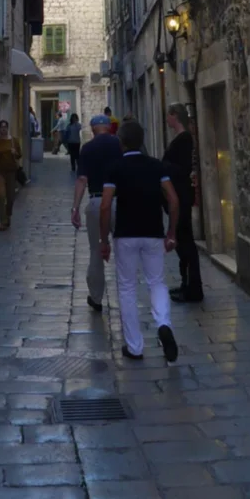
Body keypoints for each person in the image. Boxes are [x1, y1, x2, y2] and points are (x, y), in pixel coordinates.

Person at [99, 119, 179, 362]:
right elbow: (173, 200)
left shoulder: (115, 168)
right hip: (153, 232)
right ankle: (163, 324)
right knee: (157, 282)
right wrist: (172, 233)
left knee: (127, 288)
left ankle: (134, 346)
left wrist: (104, 240)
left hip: (126, 235)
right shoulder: (156, 166)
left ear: (121, 142)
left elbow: (105, 206)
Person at [71, 114, 123, 311]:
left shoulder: (87, 148)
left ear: (93, 130)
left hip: (96, 201)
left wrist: (75, 208)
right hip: (119, 202)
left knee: (95, 251)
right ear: (109, 128)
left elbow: (82, 180)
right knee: (123, 249)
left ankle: (96, 298)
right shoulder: (120, 144)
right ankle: (125, 294)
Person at [163, 102, 204, 303]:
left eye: (168, 115)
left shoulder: (184, 139)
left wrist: (164, 167)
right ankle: (186, 284)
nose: (166, 119)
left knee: (185, 241)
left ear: (174, 116)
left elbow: (182, 168)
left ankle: (192, 288)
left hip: (181, 197)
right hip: (179, 196)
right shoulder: (181, 138)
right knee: (183, 241)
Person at [0, 119, 22, 231]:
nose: (3, 129)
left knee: (11, 197)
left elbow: (19, 155)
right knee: (1, 195)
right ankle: (3, 221)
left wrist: (15, 152)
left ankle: (8, 214)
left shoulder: (14, 141)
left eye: (5, 127)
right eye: (1, 127)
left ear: (7, 128)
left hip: (11, 172)